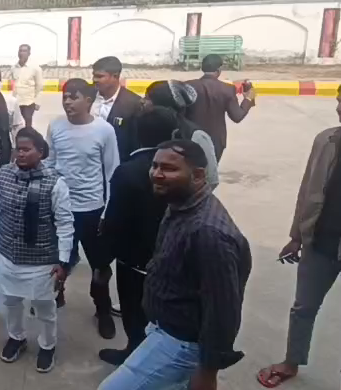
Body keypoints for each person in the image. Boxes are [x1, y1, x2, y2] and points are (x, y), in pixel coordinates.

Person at [256, 76, 341, 390]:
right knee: (303, 309)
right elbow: (308, 189)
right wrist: (297, 236)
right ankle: (291, 362)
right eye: (339, 100)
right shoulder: (326, 140)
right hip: (319, 244)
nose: (340, 108)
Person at [98, 139, 251, 390]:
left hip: (180, 343)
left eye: (169, 168)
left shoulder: (208, 233)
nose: (157, 174)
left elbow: (223, 310)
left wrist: (208, 370)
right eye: (155, 165)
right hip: (163, 327)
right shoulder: (179, 204)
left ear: (198, 175)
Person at [0, 127, 74, 374]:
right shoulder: (5, 175)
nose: (20, 154)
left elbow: (65, 224)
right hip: (7, 255)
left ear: (40, 152)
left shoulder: (56, 182)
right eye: (17, 149)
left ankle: (47, 345)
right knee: (11, 302)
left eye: (26, 149)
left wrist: (63, 261)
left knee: (44, 307)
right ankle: (16, 337)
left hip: (42, 261)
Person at [97, 106, 180, 366]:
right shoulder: (182, 169)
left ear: (136, 134)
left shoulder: (127, 171)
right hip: (172, 256)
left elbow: (114, 222)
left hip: (133, 262)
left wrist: (102, 262)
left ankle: (135, 356)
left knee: (134, 312)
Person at [44, 78, 120, 338]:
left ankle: (102, 309)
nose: (67, 102)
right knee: (60, 258)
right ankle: (57, 293)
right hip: (61, 208)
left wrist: (108, 211)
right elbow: (50, 164)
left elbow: (111, 172)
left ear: (89, 100)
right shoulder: (55, 126)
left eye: (73, 97)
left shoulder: (104, 130)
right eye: (65, 96)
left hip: (92, 209)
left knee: (100, 265)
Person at [145, 80, 219, 189]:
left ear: (162, 102)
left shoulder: (197, 135)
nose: (142, 101)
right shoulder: (143, 126)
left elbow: (211, 179)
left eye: (147, 98)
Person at [186, 54, 256, 161]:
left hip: (191, 138)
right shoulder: (227, 89)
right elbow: (237, 116)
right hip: (216, 141)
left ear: (202, 68)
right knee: (211, 169)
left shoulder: (188, 86)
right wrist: (248, 98)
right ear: (219, 70)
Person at [91, 56, 143, 161]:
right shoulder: (87, 96)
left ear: (115, 76)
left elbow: (134, 142)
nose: (94, 80)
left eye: (100, 76)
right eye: (94, 75)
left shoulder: (133, 103)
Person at [11, 44, 44, 129]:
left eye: (24, 51)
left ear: (29, 53)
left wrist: (37, 102)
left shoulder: (35, 68)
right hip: (16, 102)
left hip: (28, 102)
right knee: (15, 125)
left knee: (27, 126)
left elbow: (39, 86)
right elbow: (13, 84)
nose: (22, 53)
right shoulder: (14, 68)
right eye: (20, 51)